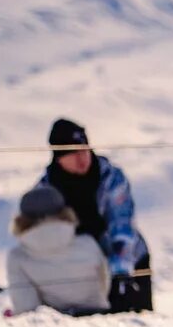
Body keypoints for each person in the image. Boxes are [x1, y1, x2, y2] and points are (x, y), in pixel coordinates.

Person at [39, 118, 153, 313]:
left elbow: (122, 225)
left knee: (137, 323)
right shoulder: (46, 193)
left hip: (128, 263)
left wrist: (120, 272)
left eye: (84, 150)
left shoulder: (111, 179)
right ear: (58, 157)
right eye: (73, 153)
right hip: (83, 271)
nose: (82, 158)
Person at [3, 185, 110, 316]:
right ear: (65, 212)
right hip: (99, 320)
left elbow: (27, 308)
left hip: (54, 326)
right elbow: (105, 282)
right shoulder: (88, 243)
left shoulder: (17, 257)